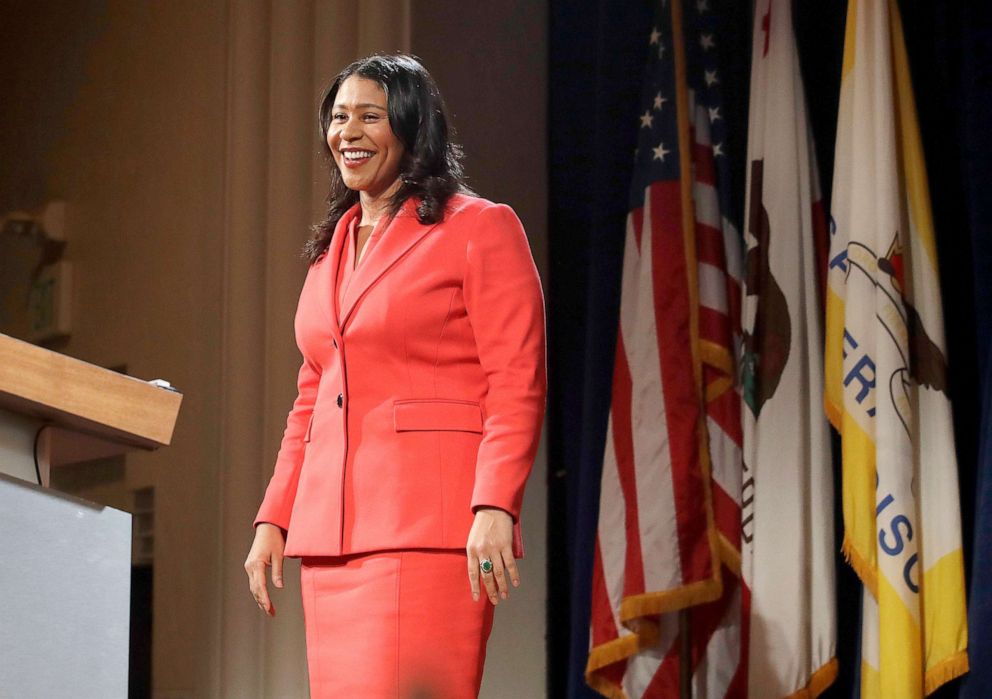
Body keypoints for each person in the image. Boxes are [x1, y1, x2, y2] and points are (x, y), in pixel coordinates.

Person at [243, 53, 546, 698]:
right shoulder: (331, 248)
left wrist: (495, 504)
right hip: (333, 542)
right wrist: (275, 518)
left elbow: (515, 378)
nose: (346, 132)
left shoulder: (479, 227)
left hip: (428, 529)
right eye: (338, 117)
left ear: (412, 127)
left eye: (369, 117)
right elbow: (312, 399)